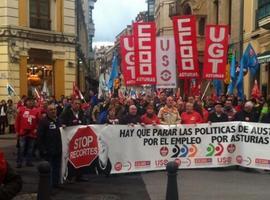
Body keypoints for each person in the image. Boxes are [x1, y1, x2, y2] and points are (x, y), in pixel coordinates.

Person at [37, 103, 62, 188]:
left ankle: (55, 184)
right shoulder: (43, 121)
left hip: (58, 149)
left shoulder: (59, 120)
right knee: (49, 169)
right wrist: (43, 149)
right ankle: (48, 187)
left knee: (57, 168)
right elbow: (39, 137)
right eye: (51, 110)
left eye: (54, 109)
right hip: (48, 150)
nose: (53, 111)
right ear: (47, 111)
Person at [15, 97, 39, 168]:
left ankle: (29, 161)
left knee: (30, 148)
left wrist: (36, 129)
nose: (31, 102)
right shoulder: (21, 110)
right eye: (29, 101)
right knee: (21, 148)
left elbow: (38, 122)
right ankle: (19, 162)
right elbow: (17, 121)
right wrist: (17, 131)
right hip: (22, 132)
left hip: (32, 133)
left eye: (32, 101)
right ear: (26, 102)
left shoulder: (36, 111)